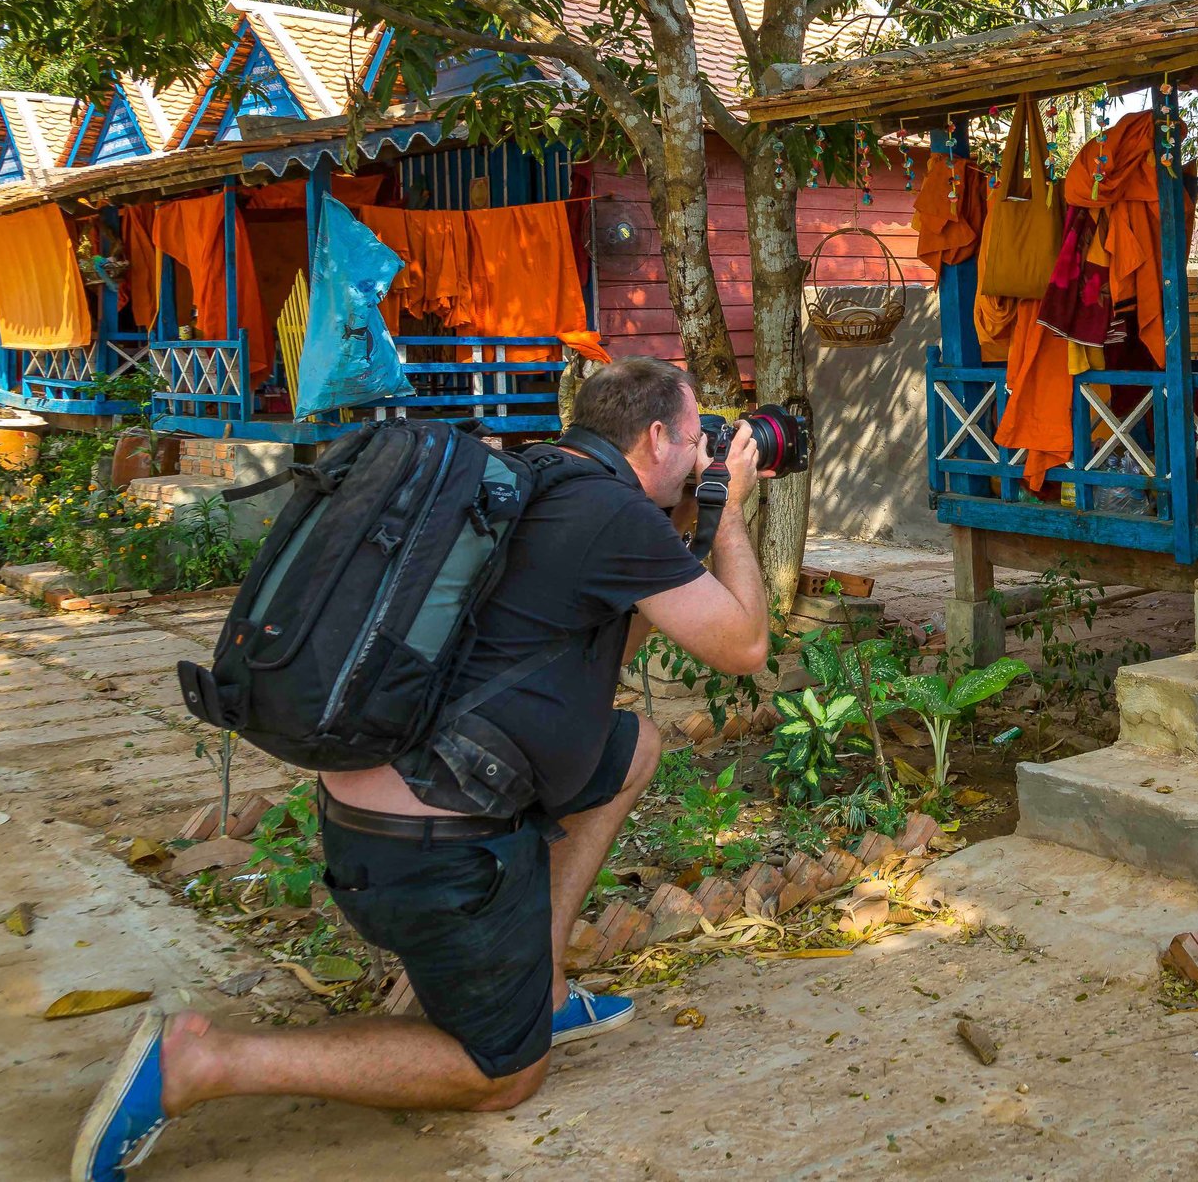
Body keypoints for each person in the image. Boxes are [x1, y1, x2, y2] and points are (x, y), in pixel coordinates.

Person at [73, 357, 773, 1181]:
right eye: (699, 441)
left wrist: (680, 524)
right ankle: (204, 1061)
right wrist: (729, 515)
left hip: (386, 809)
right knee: (504, 1073)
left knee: (634, 746)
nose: (706, 456)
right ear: (656, 437)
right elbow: (745, 646)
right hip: (434, 847)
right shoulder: (610, 514)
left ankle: (537, 986)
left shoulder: (536, 479)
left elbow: (602, 649)